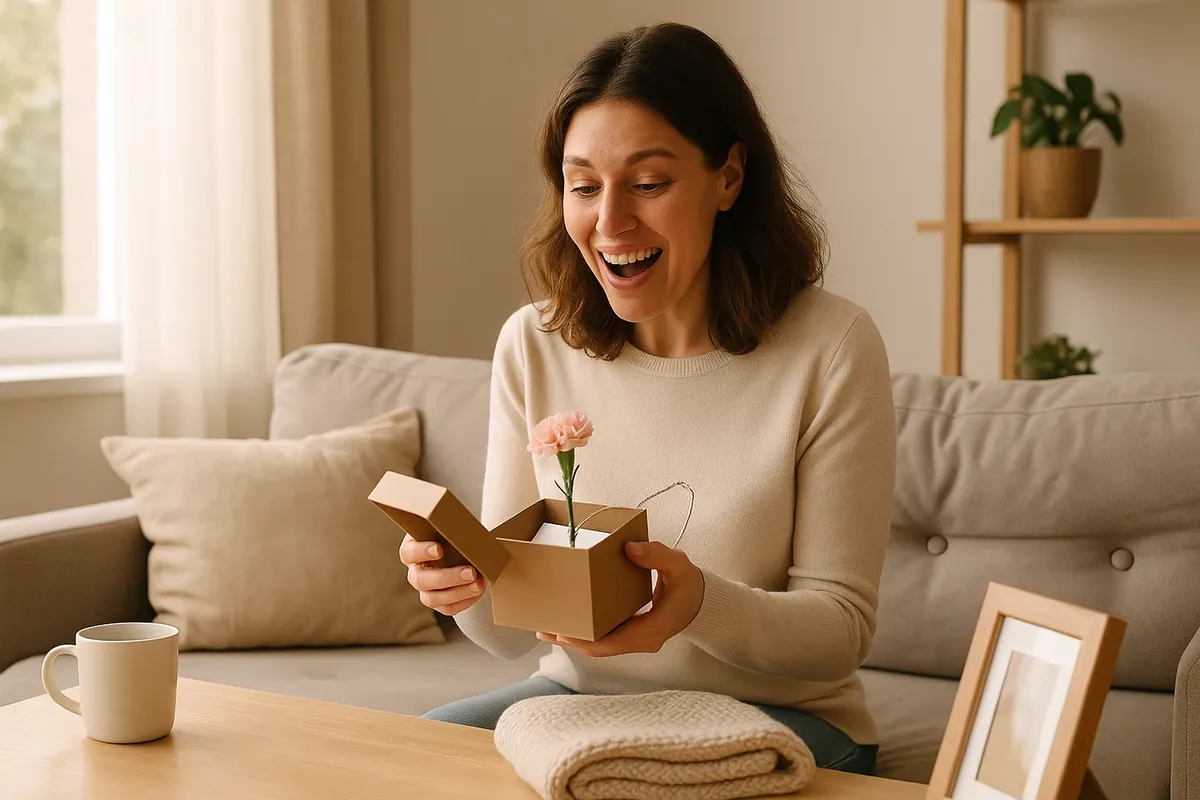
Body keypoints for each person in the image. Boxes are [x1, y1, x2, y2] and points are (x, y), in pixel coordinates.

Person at [399, 22, 896, 776]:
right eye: (583, 185)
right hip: (574, 705)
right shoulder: (533, 344)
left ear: (729, 177)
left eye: (649, 183)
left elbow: (840, 630)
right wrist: (460, 585)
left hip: (786, 719)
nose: (609, 223)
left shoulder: (831, 347)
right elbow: (507, 635)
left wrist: (699, 603)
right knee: (403, 762)